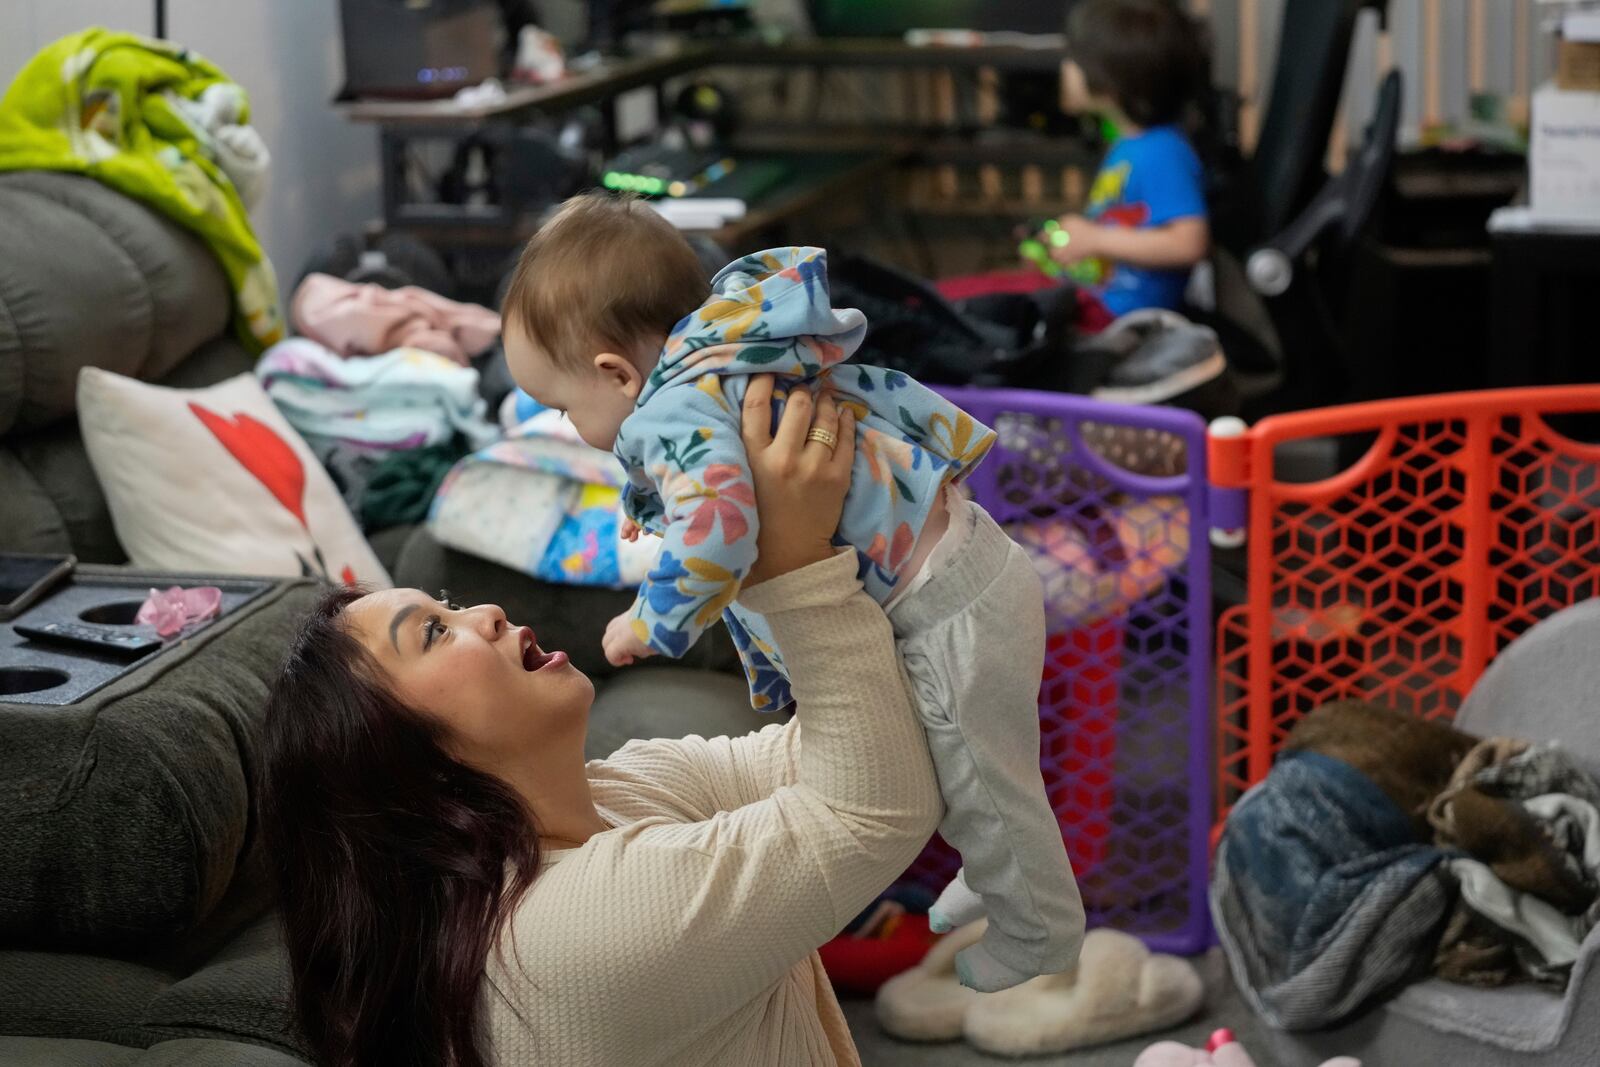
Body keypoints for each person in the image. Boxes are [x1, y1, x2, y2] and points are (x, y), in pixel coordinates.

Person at [259, 379, 939, 1066]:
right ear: (397, 761)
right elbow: (870, 808)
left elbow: (865, 742)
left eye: (449, 604)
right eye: (433, 632)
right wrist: (795, 561)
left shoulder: (624, 789)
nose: (486, 612)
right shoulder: (562, 939)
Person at [500, 195, 1084, 993]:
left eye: (565, 408)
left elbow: (724, 527)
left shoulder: (669, 408)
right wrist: (657, 508)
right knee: (962, 761)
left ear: (614, 373)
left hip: (951, 605)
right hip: (958, 577)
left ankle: (1038, 928)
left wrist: (654, 616)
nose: (571, 426)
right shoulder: (725, 353)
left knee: (991, 777)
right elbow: (719, 483)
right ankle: (991, 869)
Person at [1048, 0, 1212, 319]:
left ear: (1109, 80)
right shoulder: (1130, 143)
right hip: (1104, 299)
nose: (1065, 66)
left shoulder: (1161, 151)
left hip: (1124, 318)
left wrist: (1093, 238)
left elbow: (1189, 243)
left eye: (1075, 59)